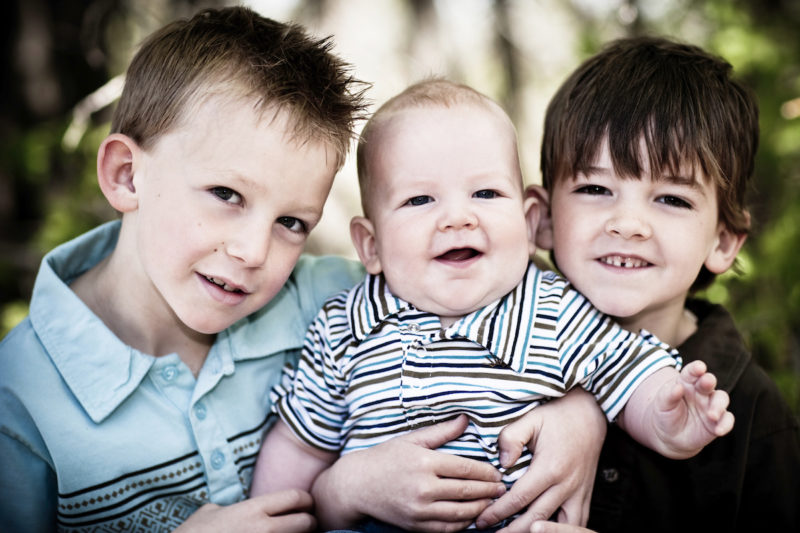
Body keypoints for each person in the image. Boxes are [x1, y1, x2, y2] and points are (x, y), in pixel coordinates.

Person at [250, 79, 734, 530]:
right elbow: (298, 446)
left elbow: (631, 374)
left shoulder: (555, 311)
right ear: (371, 246)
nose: (458, 217)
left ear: (528, 222)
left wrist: (668, 419)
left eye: (485, 193)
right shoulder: (345, 326)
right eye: (420, 200)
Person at [0, 6, 371, 532]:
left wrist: (535, 412)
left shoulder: (331, 303)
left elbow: (482, 300)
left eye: (291, 222)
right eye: (227, 194)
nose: (254, 252)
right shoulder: (20, 399)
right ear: (127, 176)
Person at [525, 35, 800, 532]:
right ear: (542, 219)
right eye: (594, 188)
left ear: (723, 241)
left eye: (672, 199)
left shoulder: (753, 416)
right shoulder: (482, 342)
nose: (628, 224)